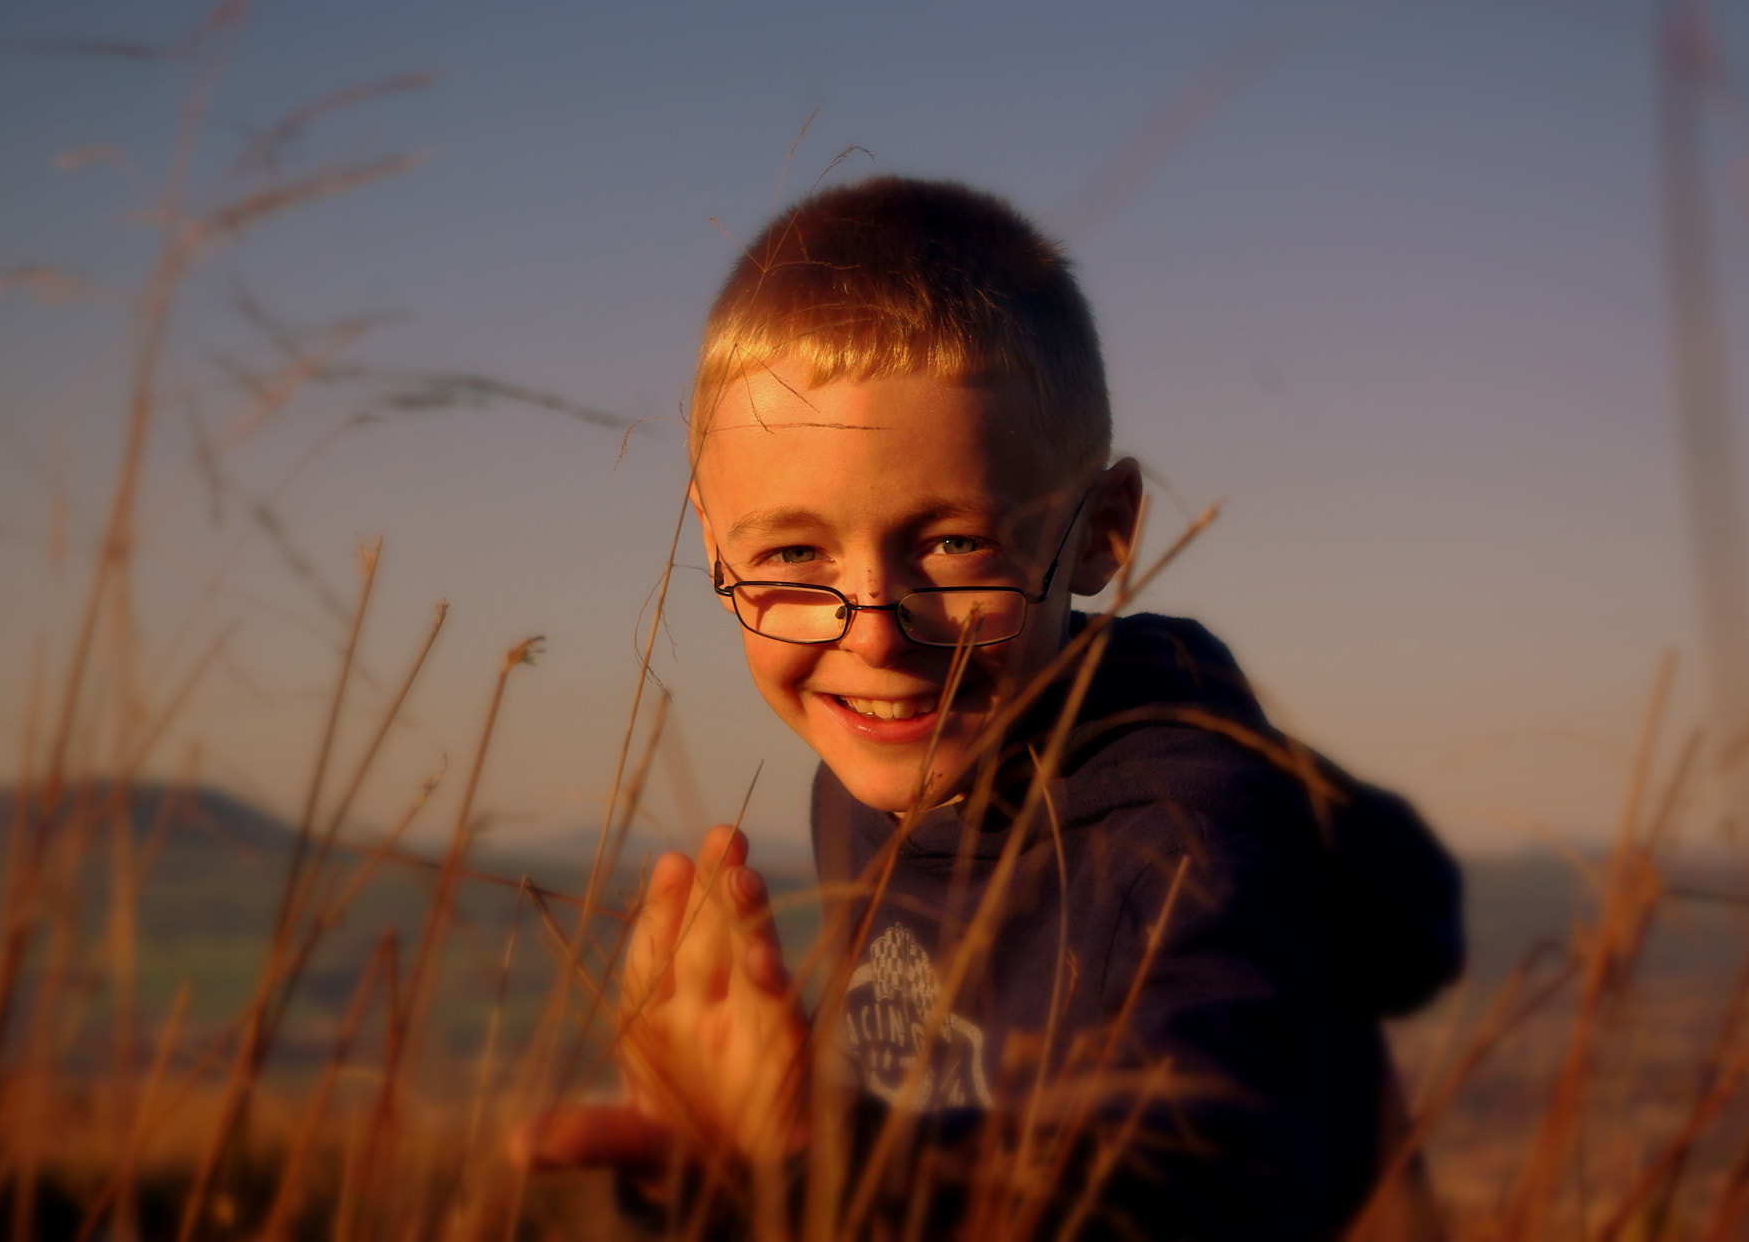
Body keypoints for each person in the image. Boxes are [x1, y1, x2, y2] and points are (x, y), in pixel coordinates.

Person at [515, 177, 1463, 1238]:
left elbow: (1203, 1194)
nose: (871, 633)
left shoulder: (1185, 842)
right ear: (709, 538)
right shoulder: (865, 795)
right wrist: (723, 1174)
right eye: (792, 554)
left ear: (1102, 532)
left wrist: (806, 1153)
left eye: (955, 545)